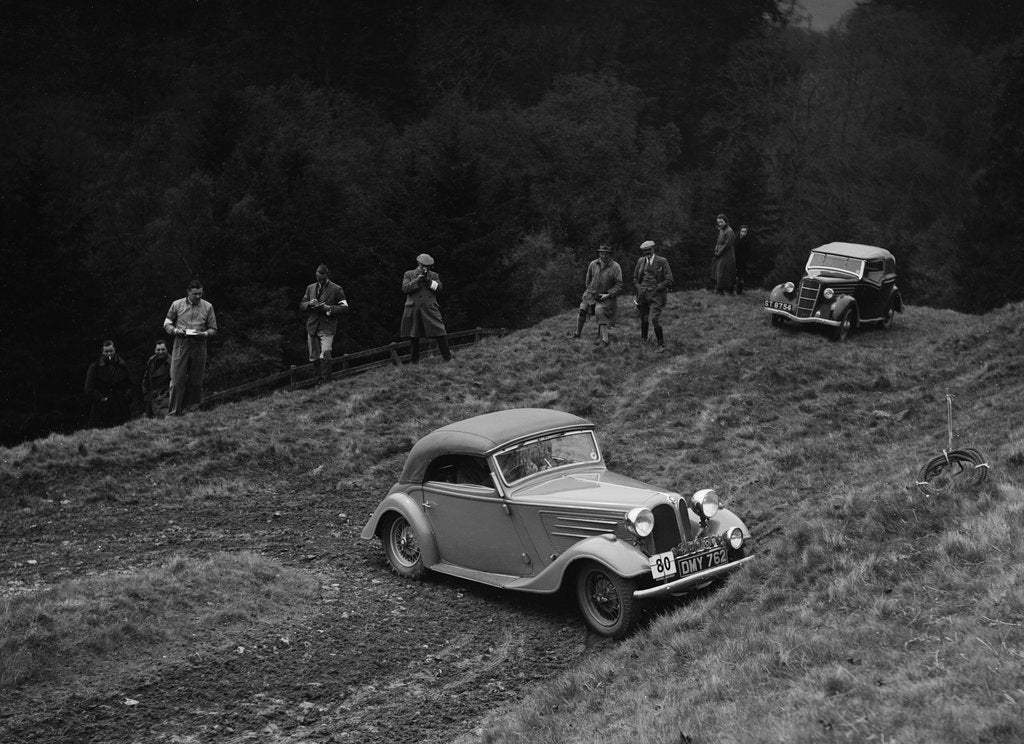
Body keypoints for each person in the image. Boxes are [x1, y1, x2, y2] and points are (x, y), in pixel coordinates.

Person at [163, 279, 218, 415]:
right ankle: (174, 412)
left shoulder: (208, 307)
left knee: (195, 379)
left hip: (199, 344)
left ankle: (191, 411)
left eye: (200, 293)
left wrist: (204, 334)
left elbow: (213, 329)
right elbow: (167, 323)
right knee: (176, 379)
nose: (198, 296)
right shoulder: (176, 304)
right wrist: (176, 331)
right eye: (195, 294)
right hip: (181, 343)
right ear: (188, 292)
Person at [300, 264, 349, 384]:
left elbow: (345, 308)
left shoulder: (336, 289)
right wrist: (309, 304)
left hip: (327, 326)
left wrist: (329, 308)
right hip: (312, 326)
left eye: (322, 278)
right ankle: (319, 382)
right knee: (314, 356)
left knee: (326, 353)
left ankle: (327, 383)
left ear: (327, 275)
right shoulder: (310, 288)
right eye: (318, 278)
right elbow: (302, 305)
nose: (320, 280)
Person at [400, 253, 452, 363]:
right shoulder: (409, 274)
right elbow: (405, 288)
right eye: (422, 266)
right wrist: (417, 280)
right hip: (414, 309)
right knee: (414, 335)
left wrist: (429, 281)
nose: (424, 268)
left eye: (427, 266)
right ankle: (414, 362)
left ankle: (448, 358)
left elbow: (439, 288)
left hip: (430, 308)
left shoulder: (434, 275)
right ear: (418, 263)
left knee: (440, 331)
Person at [572, 244, 623, 346]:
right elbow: (587, 282)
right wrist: (592, 292)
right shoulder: (593, 264)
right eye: (601, 254)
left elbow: (619, 284)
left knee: (599, 311)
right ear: (599, 254)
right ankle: (577, 333)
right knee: (582, 310)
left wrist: (608, 294)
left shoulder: (615, 267)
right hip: (591, 295)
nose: (603, 256)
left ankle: (605, 340)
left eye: (606, 254)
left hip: (606, 297)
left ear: (610, 254)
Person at [632, 239, 674, 353]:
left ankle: (661, 344)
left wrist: (657, 288)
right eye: (645, 251)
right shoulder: (641, 261)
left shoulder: (662, 261)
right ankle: (644, 340)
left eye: (649, 250)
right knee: (644, 318)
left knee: (654, 319)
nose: (647, 252)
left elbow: (669, 279)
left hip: (657, 295)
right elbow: (635, 278)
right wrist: (639, 288)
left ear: (653, 249)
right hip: (642, 295)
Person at [84, 340, 134, 428]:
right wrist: (101, 398)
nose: (109, 354)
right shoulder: (94, 367)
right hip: (101, 408)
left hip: (120, 405)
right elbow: (89, 388)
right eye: (106, 352)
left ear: (115, 350)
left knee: (122, 430)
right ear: (102, 352)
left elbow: (129, 383)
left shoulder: (122, 365)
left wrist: (127, 396)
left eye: (111, 351)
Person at [142, 339, 171, 418]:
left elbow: (175, 382)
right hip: (152, 397)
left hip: (165, 398)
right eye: (158, 350)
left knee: (165, 417)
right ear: (155, 350)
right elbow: (146, 379)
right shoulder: (151, 361)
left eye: (163, 349)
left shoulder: (171, 363)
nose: (160, 352)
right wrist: (146, 393)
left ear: (167, 349)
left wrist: (165, 394)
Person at [711, 213, 737, 295]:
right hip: (720, 254)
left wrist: (719, 252)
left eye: (721, 222)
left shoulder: (729, 231)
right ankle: (720, 290)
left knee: (725, 272)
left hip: (727, 255)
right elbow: (718, 241)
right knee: (718, 272)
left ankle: (728, 290)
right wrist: (716, 250)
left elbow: (727, 245)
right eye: (718, 222)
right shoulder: (721, 230)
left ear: (725, 221)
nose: (720, 223)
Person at [735, 224, 752, 295]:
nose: (743, 233)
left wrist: (745, 260)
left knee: (741, 276)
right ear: (739, 231)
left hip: (742, 262)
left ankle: (739, 291)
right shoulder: (736, 239)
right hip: (734, 260)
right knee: (734, 275)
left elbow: (748, 253)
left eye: (745, 232)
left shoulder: (747, 241)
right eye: (742, 231)